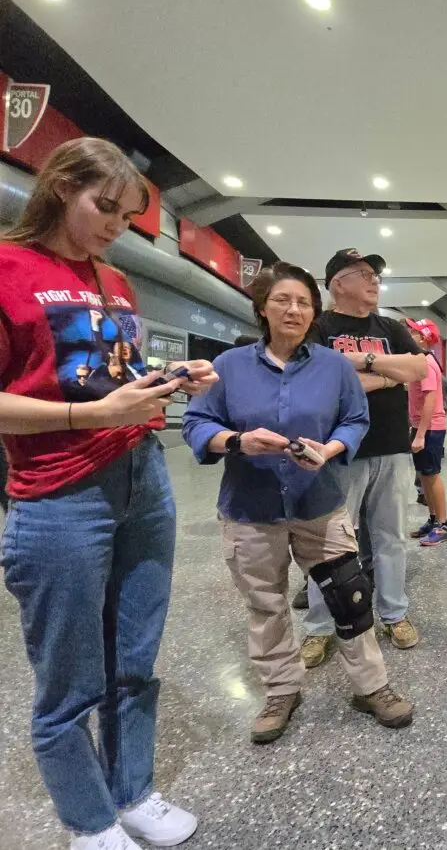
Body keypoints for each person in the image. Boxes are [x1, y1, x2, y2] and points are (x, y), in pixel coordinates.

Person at [0, 137, 217, 850]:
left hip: (141, 474)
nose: (116, 226)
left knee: (135, 654)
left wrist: (168, 385)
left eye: (128, 217)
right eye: (106, 207)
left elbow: (112, 379)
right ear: (63, 186)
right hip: (59, 492)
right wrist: (85, 417)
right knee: (69, 675)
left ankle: (132, 791)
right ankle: (88, 821)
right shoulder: (9, 268)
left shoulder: (114, 281)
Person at [181, 263, 414, 744]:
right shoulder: (229, 366)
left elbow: (354, 418)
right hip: (250, 508)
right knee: (266, 603)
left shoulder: (333, 366)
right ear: (263, 308)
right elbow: (197, 423)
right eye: (283, 300)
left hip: (320, 502)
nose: (293, 309)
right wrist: (237, 441)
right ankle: (281, 690)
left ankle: (372, 686)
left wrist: (329, 450)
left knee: (348, 597)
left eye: (303, 302)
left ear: (315, 312)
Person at [299, 249, 428, 665]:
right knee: (331, 543)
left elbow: (419, 368)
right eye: (365, 274)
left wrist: (359, 364)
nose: (375, 281)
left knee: (391, 538)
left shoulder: (390, 325)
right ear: (338, 282)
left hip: (391, 448)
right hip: (340, 451)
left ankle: (395, 613)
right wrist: (387, 374)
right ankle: (321, 627)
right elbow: (320, 381)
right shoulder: (319, 327)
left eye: (376, 275)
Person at [406, 318, 447, 546]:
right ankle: (433, 519)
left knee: (432, 475)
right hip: (420, 426)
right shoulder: (419, 361)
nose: (407, 334)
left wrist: (421, 433)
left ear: (422, 338)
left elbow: (430, 398)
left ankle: (443, 525)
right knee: (424, 475)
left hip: (430, 428)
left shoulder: (427, 364)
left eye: (412, 331)